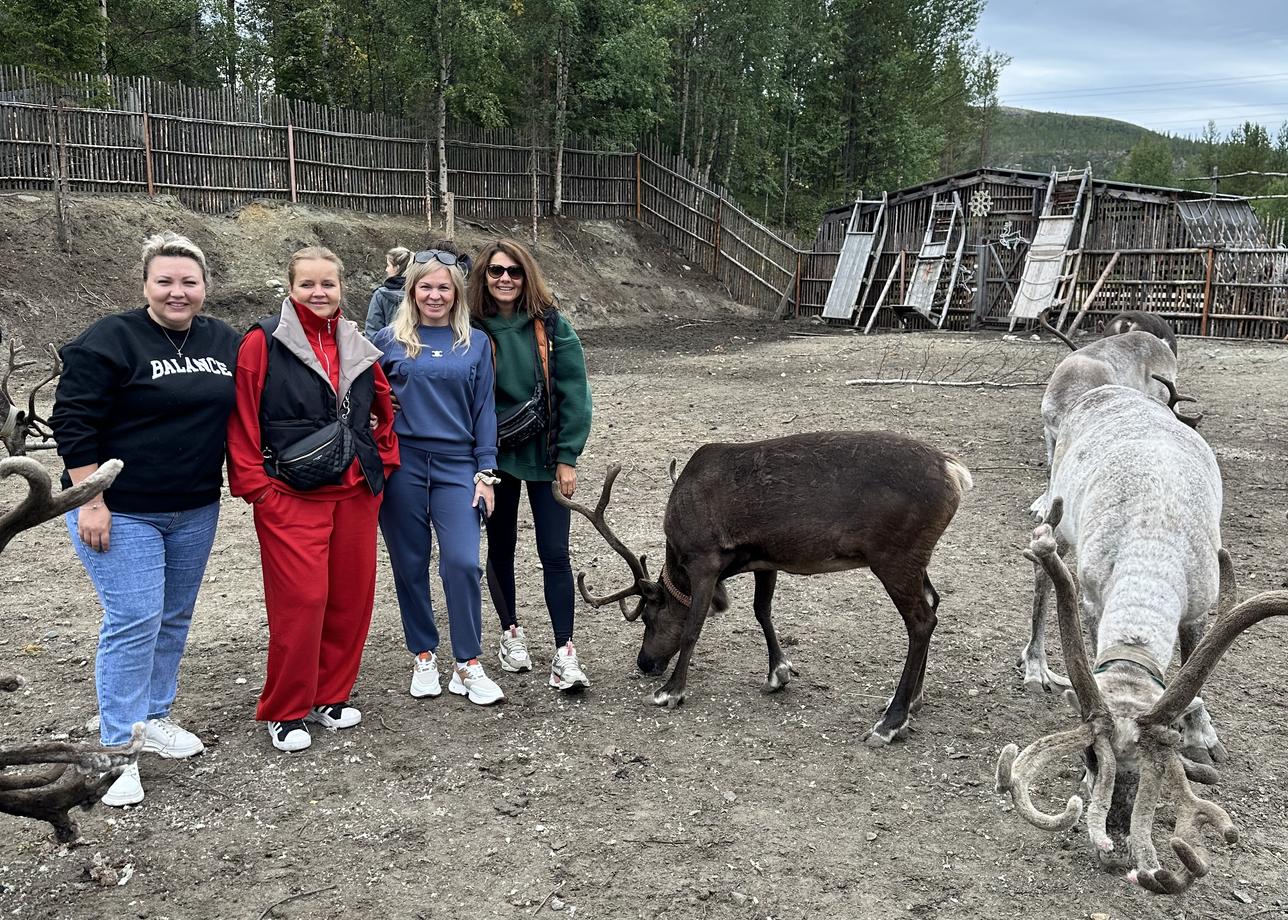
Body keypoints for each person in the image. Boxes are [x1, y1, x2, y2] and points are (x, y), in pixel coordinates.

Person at [50, 232, 241, 806]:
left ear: (205, 287)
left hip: (194, 505)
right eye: (166, 281)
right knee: (134, 618)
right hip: (121, 508)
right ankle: (117, 751)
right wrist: (90, 499)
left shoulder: (222, 340)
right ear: (145, 285)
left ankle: (153, 717)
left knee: (174, 615)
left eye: (189, 281)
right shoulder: (110, 340)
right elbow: (74, 421)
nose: (178, 292)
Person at [226, 246, 399, 753]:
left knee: (350, 598)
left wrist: (382, 462)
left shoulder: (354, 339)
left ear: (342, 288)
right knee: (301, 601)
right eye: (308, 284)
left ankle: (330, 696)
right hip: (290, 494)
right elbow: (242, 418)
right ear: (290, 287)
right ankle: (286, 709)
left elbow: (383, 405)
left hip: (355, 492)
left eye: (328, 284)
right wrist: (257, 487)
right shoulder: (262, 342)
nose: (319, 293)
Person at [373, 249, 504, 705]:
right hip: (404, 465)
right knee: (410, 564)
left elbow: (485, 408)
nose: (434, 295)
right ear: (412, 290)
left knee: (463, 562)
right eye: (425, 286)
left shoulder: (476, 343)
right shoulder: (388, 340)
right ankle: (424, 654)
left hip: (458, 466)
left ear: (456, 293)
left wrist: (485, 472)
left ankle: (467, 662)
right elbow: (364, 396)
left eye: (443, 287)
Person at [468, 239, 592, 692]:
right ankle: (511, 633)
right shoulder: (471, 328)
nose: (505, 279)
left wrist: (568, 457)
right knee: (500, 547)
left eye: (514, 271)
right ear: (483, 276)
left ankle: (564, 651)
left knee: (554, 552)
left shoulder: (552, 326)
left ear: (527, 276)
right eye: (496, 271)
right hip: (493, 455)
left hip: (543, 454)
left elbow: (574, 392)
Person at [364, 246, 412, 340]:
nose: (386, 269)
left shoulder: (380, 295)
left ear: (397, 268)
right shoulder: (419, 294)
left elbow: (372, 332)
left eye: (388, 265)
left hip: (386, 351)